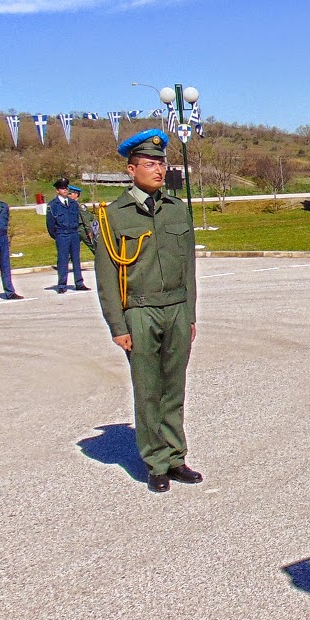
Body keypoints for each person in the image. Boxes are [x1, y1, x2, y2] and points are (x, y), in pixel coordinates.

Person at [94, 129, 202, 493]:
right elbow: (107, 275)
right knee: (148, 389)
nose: (159, 170)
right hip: (139, 312)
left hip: (175, 309)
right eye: (150, 164)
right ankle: (155, 462)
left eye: (161, 163)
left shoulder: (177, 208)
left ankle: (176, 457)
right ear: (131, 169)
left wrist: (189, 314)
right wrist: (116, 324)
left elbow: (188, 267)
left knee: (174, 387)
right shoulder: (113, 214)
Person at [47, 177, 87, 292]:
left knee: (76, 259)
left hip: (73, 233)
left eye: (66, 188)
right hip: (62, 234)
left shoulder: (73, 203)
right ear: (57, 190)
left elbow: (77, 219)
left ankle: (79, 283)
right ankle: (62, 285)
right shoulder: (53, 205)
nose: (65, 190)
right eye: (62, 188)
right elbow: (50, 224)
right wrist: (57, 235)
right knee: (63, 260)